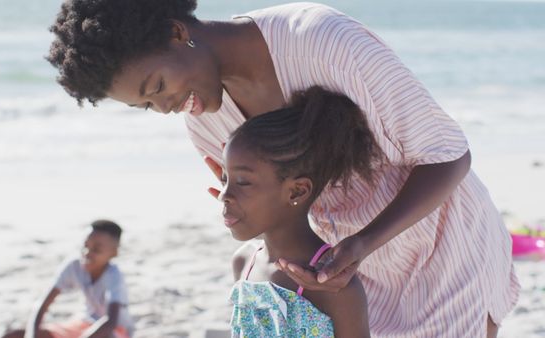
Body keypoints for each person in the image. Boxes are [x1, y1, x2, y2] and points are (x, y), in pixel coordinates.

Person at [46, 1, 519, 336]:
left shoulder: (319, 39)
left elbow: (448, 154)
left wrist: (361, 243)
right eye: (147, 105)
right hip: (350, 272)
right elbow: (275, 208)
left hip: (443, 244)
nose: (167, 106)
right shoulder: (206, 124)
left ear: (176, 32)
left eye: (158, 85)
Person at [224, 86, 371, 337]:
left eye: (243, 182)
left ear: (297, 192)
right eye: (224, 179)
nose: (224, 195)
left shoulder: (334, 287)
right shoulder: (243, 262)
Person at [2, 220, 134, 338]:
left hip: (114, 331)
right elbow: (42, 305)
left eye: (96, 249)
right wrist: (32, 335)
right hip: (83, 324)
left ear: (114, 252)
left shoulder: (114, 276)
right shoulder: (74, 265)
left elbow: (111, 322)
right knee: (13, 335)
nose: (87, 253)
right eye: (85, 246)